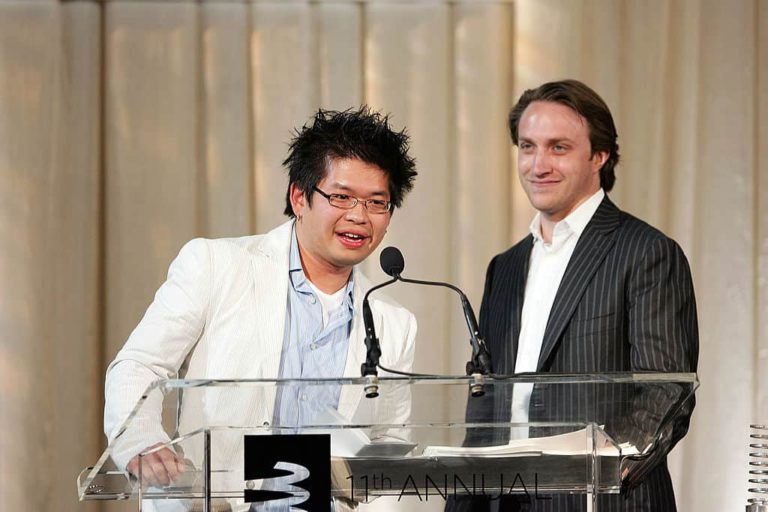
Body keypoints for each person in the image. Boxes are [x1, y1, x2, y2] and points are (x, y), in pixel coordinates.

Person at [102, 107, 419, 501]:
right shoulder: (216, 266)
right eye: (341, 197)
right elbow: (139, 365)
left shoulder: (393, 323)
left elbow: (389, 443)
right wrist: (143, 442)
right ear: (299, 197)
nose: (359, 216)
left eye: (376, 202)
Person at [451, 80, 699, 511]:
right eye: (527, 147)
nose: (538, 164)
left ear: (599, 156)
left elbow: (666, 392)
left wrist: (603, 474)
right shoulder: (504, 268)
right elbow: (484, 407)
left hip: (601, 500)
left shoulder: (647, 252)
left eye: (559, 148)